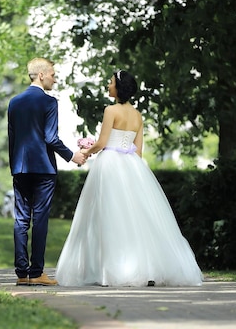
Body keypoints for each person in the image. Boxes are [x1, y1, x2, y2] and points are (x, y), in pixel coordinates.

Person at [55, 70, 203, 287]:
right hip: (132, 165)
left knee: (107, 215)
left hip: (110, 164)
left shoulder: (110, 110)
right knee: (137, 217)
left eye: (111, 81)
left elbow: (103, 141)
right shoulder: (137, 115)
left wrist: (87, 151)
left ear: (118, 87)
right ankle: (147, 269)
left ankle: (109, 271)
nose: (108, 84)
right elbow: (139, 151)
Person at [8, 57, 86, 286]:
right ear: (41, 75)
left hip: (20, 168)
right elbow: (50, 138)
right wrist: (72, 156)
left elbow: (12, 138)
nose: (55, 78)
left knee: (21, 219)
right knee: (40, 218)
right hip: (43, 169)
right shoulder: (49, 103)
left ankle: (22, 274)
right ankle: (37, 273)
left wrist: (15, 166)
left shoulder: (14, 102)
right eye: (52, 74)